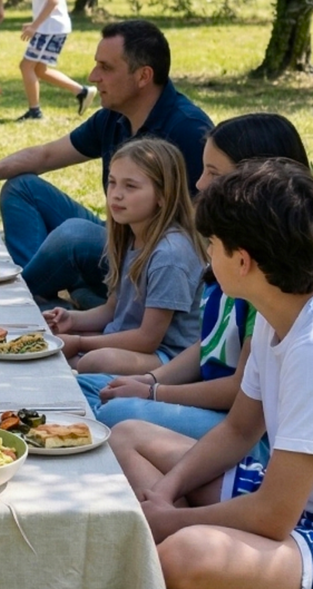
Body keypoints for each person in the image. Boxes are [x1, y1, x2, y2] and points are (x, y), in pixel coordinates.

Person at [109, 159, 313, 589]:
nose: (207, 253)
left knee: (187, 553)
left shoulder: (308, 348)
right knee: (127, 435)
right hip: (290, 504)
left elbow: (276, 515)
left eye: (213, 243)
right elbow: (239, 430)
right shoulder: (274, 316)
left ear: (242, 261)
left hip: (298, 520)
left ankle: (180, 552)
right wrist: (166, 494)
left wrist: (174, 521)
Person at [78, 114, 310, 449]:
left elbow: (240, 409)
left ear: (258, 181)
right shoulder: (238, 272)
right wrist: (149, 380)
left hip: (245, 433)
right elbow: (209, 343)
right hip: (212, 407)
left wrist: (154, 391)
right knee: (87, 385)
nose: (199, 184)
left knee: (116, 415)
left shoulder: (271, 288)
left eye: (213, 173)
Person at [0, 19, 212, 309]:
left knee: (74, 235)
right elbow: (47, 155)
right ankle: (42, 298)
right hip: (115, 236)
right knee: (21, 188)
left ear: (143, 76)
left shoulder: (188, 129)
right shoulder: (113, 116)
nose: (92, 77)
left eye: (106, 68)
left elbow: (201, 233)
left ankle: (18, 298)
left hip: (149, 256)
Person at [43, 138, 206, 374]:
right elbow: (113, 309)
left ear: (163, 195)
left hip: (168, 358)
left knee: (93, 361)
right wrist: (71, 320)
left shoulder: (170, 254)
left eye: (130, 186)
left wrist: (80, 343)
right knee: (51, 337)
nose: (116, 195)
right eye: (112, 183)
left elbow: (147, 339)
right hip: (128, 340)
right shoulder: (130, 234)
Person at [15, 0, 96, 120]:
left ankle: (34, 112)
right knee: (39, 70)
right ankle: (81, 91)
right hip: (49, 28)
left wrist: (35, 26)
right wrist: (35, 24)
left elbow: (53, 2)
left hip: (50, 30)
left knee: (26, 66)